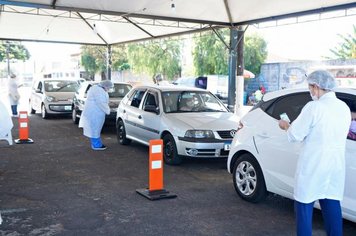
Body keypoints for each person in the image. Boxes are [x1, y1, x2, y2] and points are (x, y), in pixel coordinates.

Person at [278, 70, 351, 236]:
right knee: (332, 206)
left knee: (304, 209)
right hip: (334, 167)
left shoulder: (314, 107)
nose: (310, 92)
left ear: (316, 86)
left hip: (313, 166)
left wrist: (285, 126)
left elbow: (295, 135)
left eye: (310, 88)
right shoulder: (343, 108)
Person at [79, 80, 113, 151]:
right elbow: (101, 102)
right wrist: (108, 110)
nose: (109, 89)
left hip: (94, 112)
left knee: (94, 129)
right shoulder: (99, 91)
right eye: (109, 87)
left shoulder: (96, 88)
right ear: (105, 86)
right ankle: (96, 145)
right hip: (95, 113)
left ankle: (97, 143)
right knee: (95, 129)